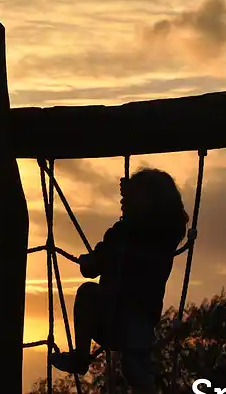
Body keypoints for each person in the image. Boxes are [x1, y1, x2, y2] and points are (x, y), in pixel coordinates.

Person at [50, 168, 189, 394]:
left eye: (131, 198)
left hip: (136, 317)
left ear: (150, 203)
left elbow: (151, 229)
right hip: (112, 314)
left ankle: (86, 358)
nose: (124, 202)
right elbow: (95, 266)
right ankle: (81, 356)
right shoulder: (127, 232)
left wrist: (95, 261)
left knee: (134, 368)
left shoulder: (158, 234)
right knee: (87, 294)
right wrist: (92, 262)